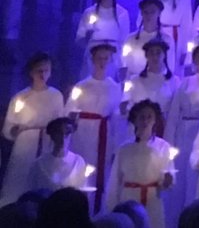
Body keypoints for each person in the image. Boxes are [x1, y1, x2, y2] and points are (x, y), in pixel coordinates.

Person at [164, 42, 199, 227]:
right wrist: (168, 144)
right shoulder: (185, 83)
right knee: (182, 180)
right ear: (194, 60)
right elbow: (174, 114)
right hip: (185, 134)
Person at [66, 42, 122, 213]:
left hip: (103, 134)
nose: (102, 62)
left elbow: (116, 116)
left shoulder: (114, 87)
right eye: (99, 58)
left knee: (100, 172)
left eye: (106, 58)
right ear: (93, 59)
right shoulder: (82, 86)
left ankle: (96, 212)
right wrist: (72, 116)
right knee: (82, 169)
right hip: (83, 133)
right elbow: (69, 109)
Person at [106, 100, 174, 228]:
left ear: (155, 120)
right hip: (129, 199)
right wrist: (111, 208)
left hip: (152, 200)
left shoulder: (163, 147)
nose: (145, 121)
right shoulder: (124, 149)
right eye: (142, 117)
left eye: (150, 117)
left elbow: (168, 176)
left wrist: (167, 182)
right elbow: (114, 182)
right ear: (134, 120)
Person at [121, 38, 178, 140]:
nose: (155, 57)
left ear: (164, 55)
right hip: (138, 128)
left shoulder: (174, 81)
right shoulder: (134, 80)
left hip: (163, 129)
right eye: (151, 53)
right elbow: (126, 104)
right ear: (146, 56)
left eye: (158, 53)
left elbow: (176, 109)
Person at [143, 0, 194, 69]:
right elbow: (142, 21)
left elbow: (187, 21)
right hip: (154, 36)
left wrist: (185, 49)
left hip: (176, 37)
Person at [77, 0, 131, 77]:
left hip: (113, 58)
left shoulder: (122, 14)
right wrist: (87, 36)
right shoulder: (89, 12)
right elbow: (79, 39)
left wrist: (123, 64)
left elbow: (124, 41)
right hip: (92, 55)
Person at [29, 117, 90, 191]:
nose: (63, 138)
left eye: (67, 133)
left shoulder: (78, 161)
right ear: (52, 136)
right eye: (59, 133)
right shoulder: (39, 164)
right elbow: (30, 192)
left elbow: (82, 189)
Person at [122, 0, 173, 78]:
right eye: (146, 12)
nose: (149, 15)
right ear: (142, 13)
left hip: (157, 82)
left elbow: (170, 66)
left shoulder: (166, 40)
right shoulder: (131, 39)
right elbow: (124, 63)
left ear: (159, 13)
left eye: (152, 12)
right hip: (135, 82)